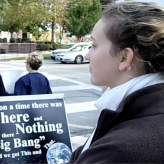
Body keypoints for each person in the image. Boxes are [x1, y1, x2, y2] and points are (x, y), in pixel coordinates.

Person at [69, 2, 164, 163]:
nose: (87, 56)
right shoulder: (142, 113)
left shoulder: (118, 151)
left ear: (124, 57)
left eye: (94, 45)